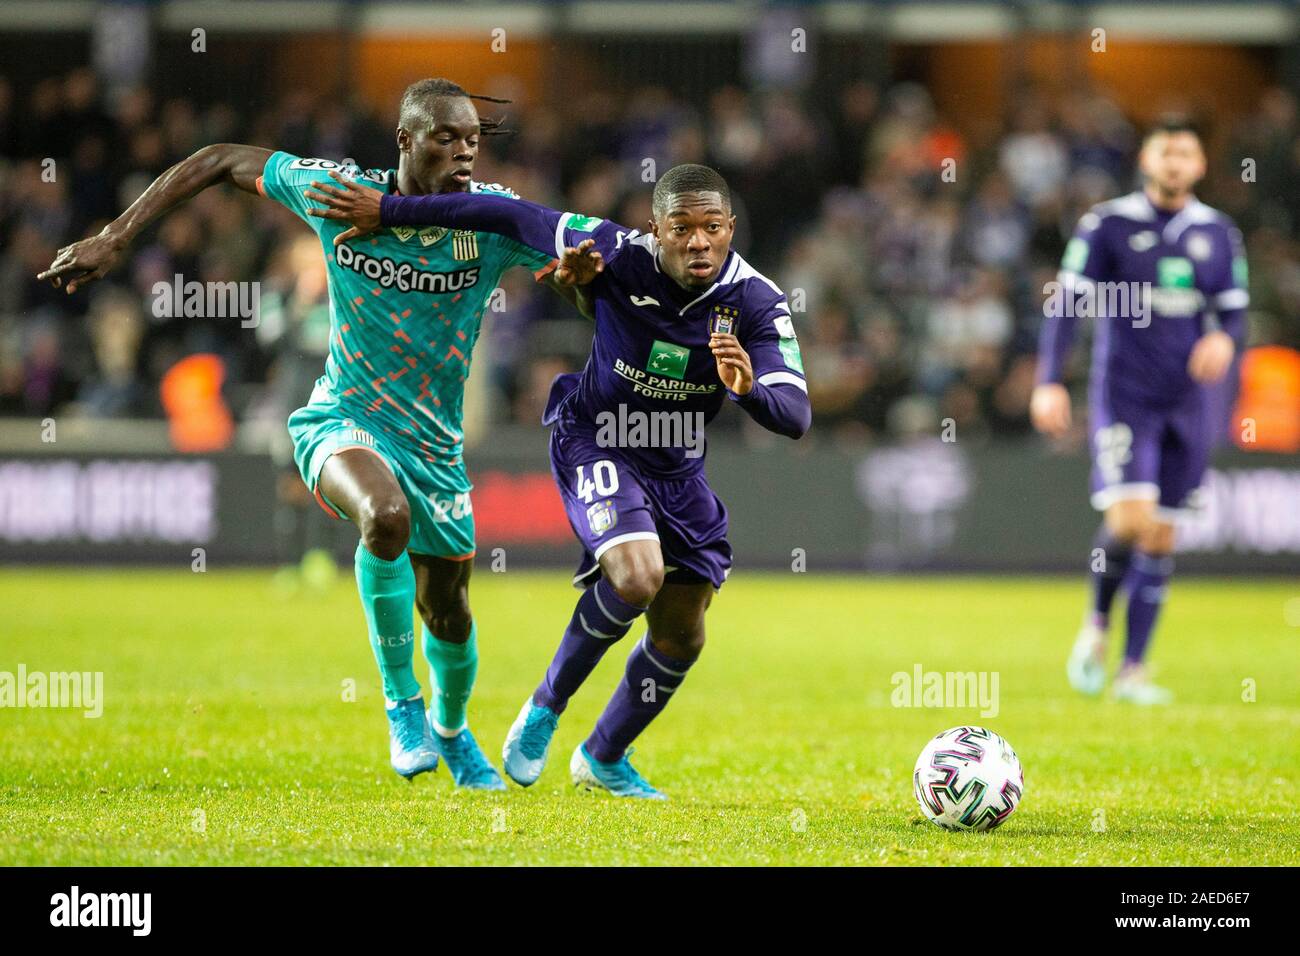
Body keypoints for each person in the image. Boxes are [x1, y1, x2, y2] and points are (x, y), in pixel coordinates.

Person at [38, 78, 602, 788]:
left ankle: (452, 732)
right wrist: (116, 235)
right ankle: (403, 707)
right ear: (405, 140)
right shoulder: (333, 191)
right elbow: (217, 158)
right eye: (446, 137)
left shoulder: (489, 220)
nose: (464, 152)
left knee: (450, 614)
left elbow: (578, 280)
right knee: (383, 517)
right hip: (344, 416)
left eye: (473, 141)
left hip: (434, 446)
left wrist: (579, 282)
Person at [1030, 119, 1248, 704]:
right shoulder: (1108, 224)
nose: (1175, 162)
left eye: (1186, 153)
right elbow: (1067, 303)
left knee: (1162, 533)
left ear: (1200, 166)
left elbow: (1233, 313)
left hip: (1190, 400)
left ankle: (1133, 671)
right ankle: (1097, 626)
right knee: (1131, 521)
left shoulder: (1218, 233)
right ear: (1146, 161)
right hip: (1125, 394)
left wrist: (1225, 340)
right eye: (1165, 151)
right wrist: (1050, 380)